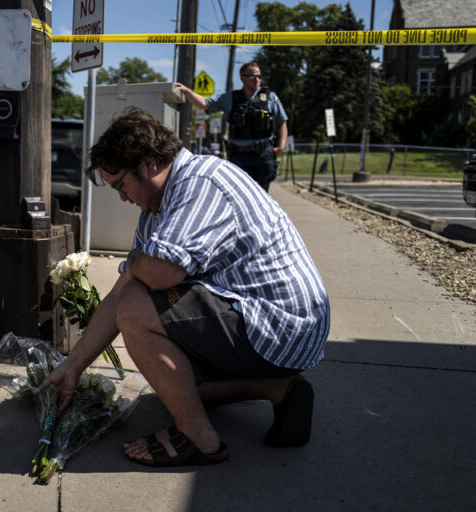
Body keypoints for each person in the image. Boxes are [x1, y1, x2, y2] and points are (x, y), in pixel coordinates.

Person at [37, 108, 330, 467]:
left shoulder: (200, 183)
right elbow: (123, 284)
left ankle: (198, 438)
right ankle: (278, 388)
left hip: (283, 325)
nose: (122, 197)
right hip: (269, 321)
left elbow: (155, 277)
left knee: (137, 306)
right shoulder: (160, 205)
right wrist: (73, 367)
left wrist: (137, 261)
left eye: (120, 185)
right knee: (174, 387)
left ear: (147, 164)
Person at [176, 62, 288, 192]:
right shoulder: (230, 98)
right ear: (242, 78)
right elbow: (204, 103)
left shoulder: (270, 97)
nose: (257, 80)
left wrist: (281, 146)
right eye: (252, 77)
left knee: (262, 194)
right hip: (240, 155)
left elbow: (282, 122)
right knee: (242, 194)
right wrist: (187, 91)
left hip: (264, 154)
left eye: (259, 76)